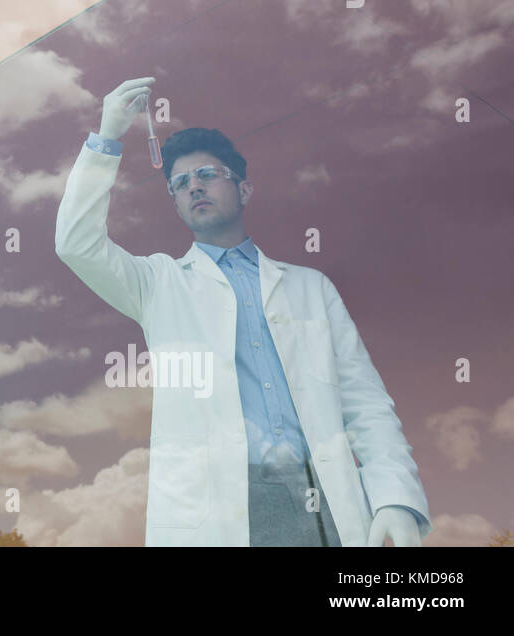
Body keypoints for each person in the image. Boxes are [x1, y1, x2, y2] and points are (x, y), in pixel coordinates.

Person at [55, 76, 430, 546]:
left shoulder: (311, 288)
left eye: (207, 175)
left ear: (245, 190)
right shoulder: (158, 284)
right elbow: (76, 244)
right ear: (175, 203)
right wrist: (107, 139)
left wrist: (395, 496)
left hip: (324, 500)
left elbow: (366, 404)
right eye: (180, 183)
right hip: (227, 509)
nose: (194, 187)